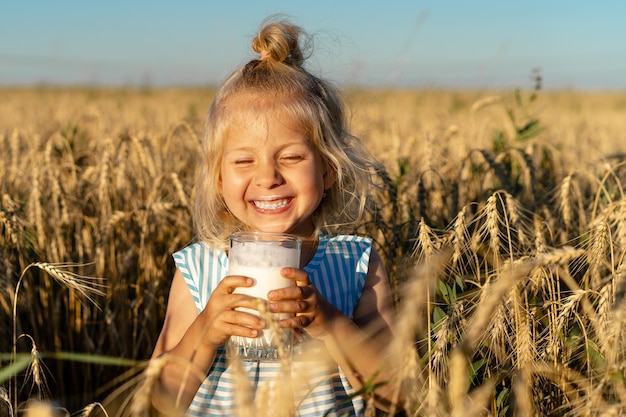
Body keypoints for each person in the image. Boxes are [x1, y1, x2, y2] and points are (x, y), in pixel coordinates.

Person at [150, 17, 398, 417]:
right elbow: (154, 404)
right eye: (244, 160)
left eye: (291, 157)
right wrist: (206, 330)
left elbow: (397, 396)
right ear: (218, 178)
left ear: (329, 168)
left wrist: (329, 323)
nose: (267, 177)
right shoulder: (199, 267)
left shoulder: (356, 265)